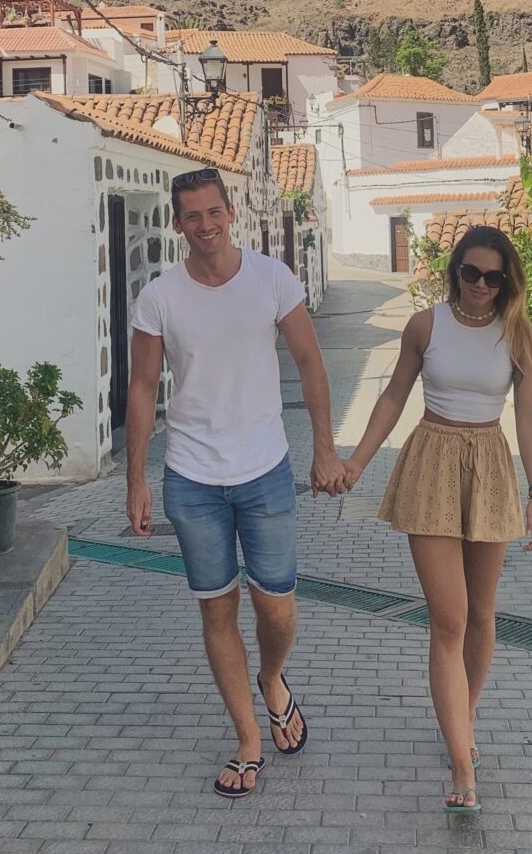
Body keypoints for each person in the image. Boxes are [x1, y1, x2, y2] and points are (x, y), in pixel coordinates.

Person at [125, 167, 347, 799]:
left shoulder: (272, 279)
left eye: (214, 211)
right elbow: (142, 387)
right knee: (217, 610)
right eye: (192, 215)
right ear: (177, 224)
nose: (206, 224)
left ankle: (272, 678)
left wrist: (324, 449)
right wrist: (136, 479)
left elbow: (310, 360)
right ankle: (247, 737)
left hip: (265, 469)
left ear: (230, 213)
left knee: (276, 607)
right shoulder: (159, 298)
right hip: (190, 478)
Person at [344, 226, 532, 814]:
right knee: (449, 618)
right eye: (471, 272)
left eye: (494, 277)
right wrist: (357, 462)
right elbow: (392, 396)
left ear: (506, 281)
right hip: (431, 460)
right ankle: (462, 760)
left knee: (482, 613)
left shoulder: (519, 335)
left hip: (490, 466)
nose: (482, 285)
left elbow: (529, 418)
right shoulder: (425, 326)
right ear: (455, 269)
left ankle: (464, 715)